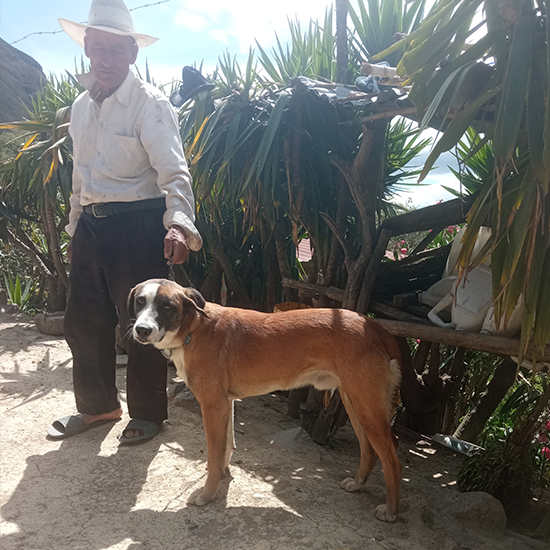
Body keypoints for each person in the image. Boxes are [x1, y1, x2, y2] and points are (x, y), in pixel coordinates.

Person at [47, 0, 202, 443]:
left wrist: (177, 223)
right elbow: (81, 174)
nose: (105, 59)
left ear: (132, 53)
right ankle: (98, 409)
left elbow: (174, 171)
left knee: (144, 322)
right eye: (97, 49)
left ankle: (149, 414)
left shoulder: (149, 104)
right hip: (93, 225)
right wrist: (77, 226)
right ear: (87, 50)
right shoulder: (80, 105)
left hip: (138, 223)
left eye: (116, 51)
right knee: (84, 319)